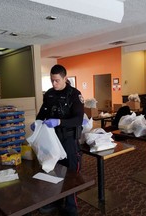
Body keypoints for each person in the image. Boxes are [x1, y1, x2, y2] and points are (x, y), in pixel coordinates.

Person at [34, 64, 84, 216]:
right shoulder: (49, 94)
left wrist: (60, 122)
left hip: (68, 139)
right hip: (52, 140)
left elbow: (78, 119)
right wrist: (36, 123)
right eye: (52, 80)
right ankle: (55, 200)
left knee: (70, 174)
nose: (54, 84)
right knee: (54, 171)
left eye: (56, 80)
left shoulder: (74, 94)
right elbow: (42, 113)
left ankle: (71, 207)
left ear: (65, 79)